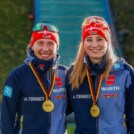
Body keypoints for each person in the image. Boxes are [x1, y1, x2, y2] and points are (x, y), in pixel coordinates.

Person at [66, 16, 134, 134]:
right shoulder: (73, 73)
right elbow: (59, 111)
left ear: (107, 41)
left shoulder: (124, 72)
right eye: (89, 39)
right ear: (83, 43)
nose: (94, 44)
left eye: (99, 39)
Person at [1, 21, 67, 134]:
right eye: (40, 43)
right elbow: (7, 115)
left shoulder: (65, 74)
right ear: (32, 45)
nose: (45, 49)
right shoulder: (18, 75)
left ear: (57, 46)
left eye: (50, 43)